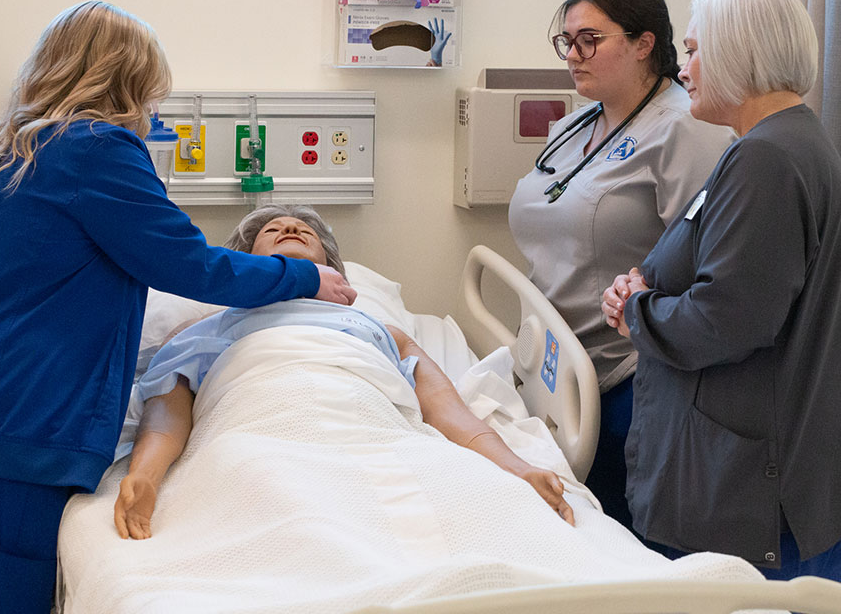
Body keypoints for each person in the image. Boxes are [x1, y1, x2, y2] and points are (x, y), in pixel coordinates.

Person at [0, 3, 356, 614]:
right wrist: (303, 276)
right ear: (129, 82)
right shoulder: (94, 148)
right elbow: (188, 264)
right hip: (10, 444)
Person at [113, 204, 575, 540]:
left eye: (303, 232)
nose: (289, 226)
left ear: (334, 271)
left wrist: (517, 468)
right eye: (272, 230)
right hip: (254, 425)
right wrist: (146, 476)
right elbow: (167, 411)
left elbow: (448, 410)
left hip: (369, 423)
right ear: (246, 264)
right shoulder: (210, 324)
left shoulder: (381, 330)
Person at [601, 0, 841, 580]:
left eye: (696, 50)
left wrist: (637, 312)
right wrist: (648, 287)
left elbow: (728, 318)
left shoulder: (766, 158)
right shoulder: (781, 144)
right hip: (747, 465)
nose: (685, 70)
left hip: (744, 484)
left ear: (741, 52)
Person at [507, 0, 734, 529]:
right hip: (560, 366)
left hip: (630, 377)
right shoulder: (580, 120)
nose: (573, 55)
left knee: (626, 540)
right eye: (567, 41)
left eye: (591, 39)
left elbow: (706, 257)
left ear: (643, 44)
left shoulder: (687, 128)